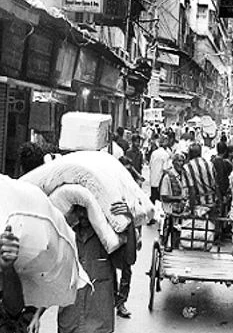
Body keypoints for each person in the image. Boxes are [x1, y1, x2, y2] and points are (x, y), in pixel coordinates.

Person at [53, 202, 133, 333]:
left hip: (99, 325)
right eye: (79, 210)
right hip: (69, 322)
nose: (83, 215)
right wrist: (37, 314)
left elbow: (128, 261)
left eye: (87, 210)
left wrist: (129, 224)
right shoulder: (65, 235)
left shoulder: (107, 238)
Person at [180, 144, 219, 216]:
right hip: (211, 204)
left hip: (197, 206)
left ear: (190, 153)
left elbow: (192, 190)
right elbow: (216, 185)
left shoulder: (187, 167)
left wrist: (191, 211)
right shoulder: (210, 164)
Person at [148, 135, 171, 206]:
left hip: (153, 179)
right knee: (159, 200)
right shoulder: (166, 154)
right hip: (160, 181)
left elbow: (150, 165)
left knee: (153, 197)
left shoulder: (154, 153)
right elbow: (165, 169)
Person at [210, 142, 233, 210]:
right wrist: (224, 193)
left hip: (213, 191)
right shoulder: (221, 163)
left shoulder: (212, 160)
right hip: (219, 192)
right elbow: (221, 179)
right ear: (225, 151)